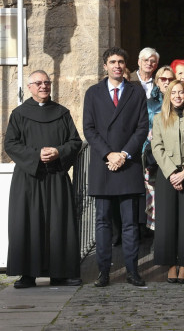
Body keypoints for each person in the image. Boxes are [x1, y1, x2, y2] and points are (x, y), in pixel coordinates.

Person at [5, 70, 83, 289]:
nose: (43, 86)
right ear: (29, 87)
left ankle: (60, 274)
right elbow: (11, 144)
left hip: (56, 176)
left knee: (58, 224)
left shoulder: (62, 112)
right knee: (28, 223)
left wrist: (58, 152)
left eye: (47, 83)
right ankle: (28, 275)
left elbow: (75, 142)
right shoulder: (19, 114)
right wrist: (35, 155)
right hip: (29, 178)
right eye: (38, 83)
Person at [83, 47, 149, 287]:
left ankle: (132, 271)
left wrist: (122, 153)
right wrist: (108, 154)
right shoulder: (93, 93)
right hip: (104, 165)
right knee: (102, 222)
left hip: (127, 163)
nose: (117, 66)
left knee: (131, 223)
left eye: (121, 62)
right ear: (105, 66)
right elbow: (89, 128)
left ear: (126, 66)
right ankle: (103, 273)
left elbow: (142, 128)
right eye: (112, 62)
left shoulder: (136, 92)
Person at [151, 80, 184, 284]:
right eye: (173, 92)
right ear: (168, 96)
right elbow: (156, 146)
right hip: (167, 176)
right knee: (167, 221)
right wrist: (172, 171)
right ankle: (171, 265)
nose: (177, 96)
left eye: (181, 92)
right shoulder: (159, 119)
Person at [143, 65, 175, 231]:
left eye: (170, 79)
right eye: (163, 79)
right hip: (153, 158)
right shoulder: (149, 104)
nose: (167, 82)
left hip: (175, 157)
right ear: (156, 81)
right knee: (156, 202)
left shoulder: (180, 100)